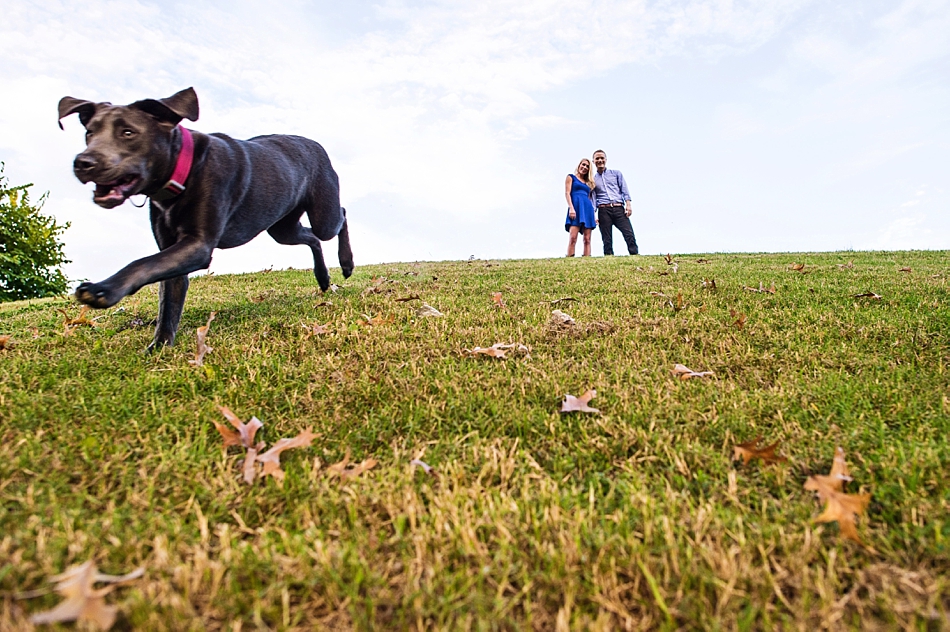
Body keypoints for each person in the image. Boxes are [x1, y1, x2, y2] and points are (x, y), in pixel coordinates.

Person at [591, 149, 638, 255]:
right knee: (606, 238)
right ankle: (609, 257)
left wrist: (628, 205)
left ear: (606, 159)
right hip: (603, 210)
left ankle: (635, 255)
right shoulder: (592, 180)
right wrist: (593, 214)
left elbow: (624, 189)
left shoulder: (616, 173)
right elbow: (593, 198)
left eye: (602, 158)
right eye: (597, 158)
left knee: (629, 233)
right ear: (593, 161)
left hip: (618, 208)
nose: (600, 160)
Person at [563, 158, 597, 256]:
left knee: (587, 239)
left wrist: (594, 215)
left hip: (587, 209)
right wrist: (571, 208)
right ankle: (569, 258)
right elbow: (567, 193)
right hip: (576, 208)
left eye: (587, 166)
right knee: (573, 237)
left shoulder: (589, 183)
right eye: (583, 165)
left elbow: (591, 199)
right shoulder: (571, 177)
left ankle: (586, 259)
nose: (585, 167)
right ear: (579, 165)